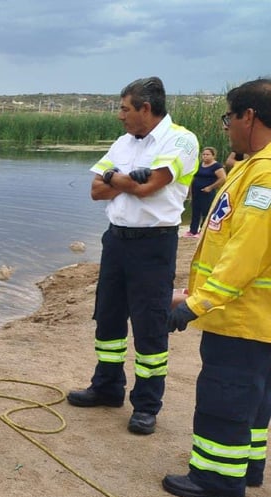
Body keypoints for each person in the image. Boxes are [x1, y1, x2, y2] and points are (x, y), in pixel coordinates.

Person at [66, 77, 199, 435]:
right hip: (116, 242)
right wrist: (124, 178)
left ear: (145, 108)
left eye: (125, 108)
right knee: (108, 317)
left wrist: (119, 179)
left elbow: (149, 186)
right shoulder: (123, 143)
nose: (120, 116)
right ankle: (107, 387)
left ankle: (146, 406)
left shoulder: (181, 139)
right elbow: (96, 190)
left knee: (150, 325)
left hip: (153, 244)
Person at [162, 78, 271, 497]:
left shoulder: (264, 176)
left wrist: (195, 304)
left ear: (249, 116)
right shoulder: (250, 165)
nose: (226, 128)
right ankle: (247, 467)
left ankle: (217, 479)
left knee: (225, 396)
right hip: (250, 315)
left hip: (242, 315)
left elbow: (247, 251)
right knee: (254, 399)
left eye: (229, 118)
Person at [185, 147, 227, 237]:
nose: (205, 156)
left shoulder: (217, 166)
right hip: (196, 191)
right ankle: (192, 231)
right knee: (195, 211)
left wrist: (211, 187)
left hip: (207, 192)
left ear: (213, 156)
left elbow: (223, 178)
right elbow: (193, 177)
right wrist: (189, 191)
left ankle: (202, 231)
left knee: (206, 211)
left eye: (207, 154)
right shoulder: (199, 165)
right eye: (203, 154)